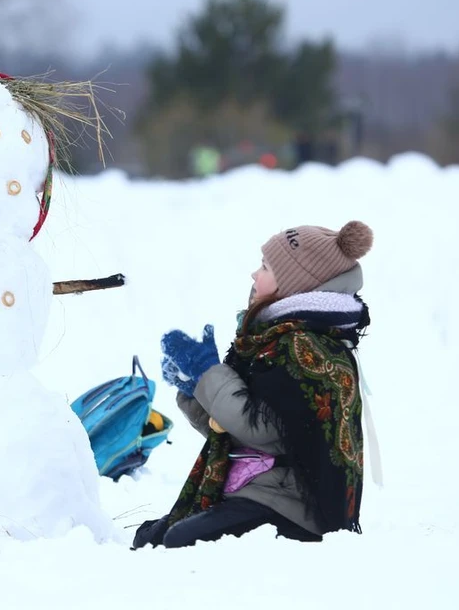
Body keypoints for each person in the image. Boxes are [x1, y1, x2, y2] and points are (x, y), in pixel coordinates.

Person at [133, 221, 374, 549]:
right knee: (152, 538)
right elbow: (232, 432)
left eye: (266, 267)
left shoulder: (307, 348)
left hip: (293, 508)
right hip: (256, 491)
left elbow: (263, 430)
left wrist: (208, 374)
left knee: (180, 541)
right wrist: (193, 387)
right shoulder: (273, 339)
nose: (254, 274)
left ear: (294, 283)